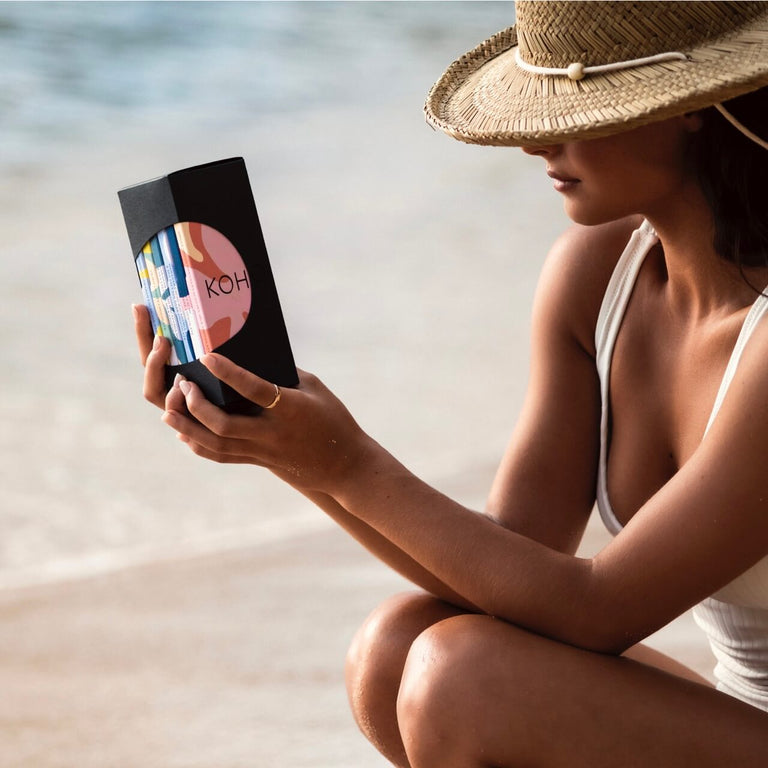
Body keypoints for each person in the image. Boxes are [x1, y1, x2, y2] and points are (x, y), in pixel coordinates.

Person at [134, 2, 768, 765]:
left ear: (691, 107)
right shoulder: (600, 277)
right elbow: (509, 568)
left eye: (581, 110)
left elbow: (598, 611)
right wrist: (286, 445)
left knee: (464, 681)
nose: (536, 141)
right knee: (396, 649)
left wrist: (348, 462)